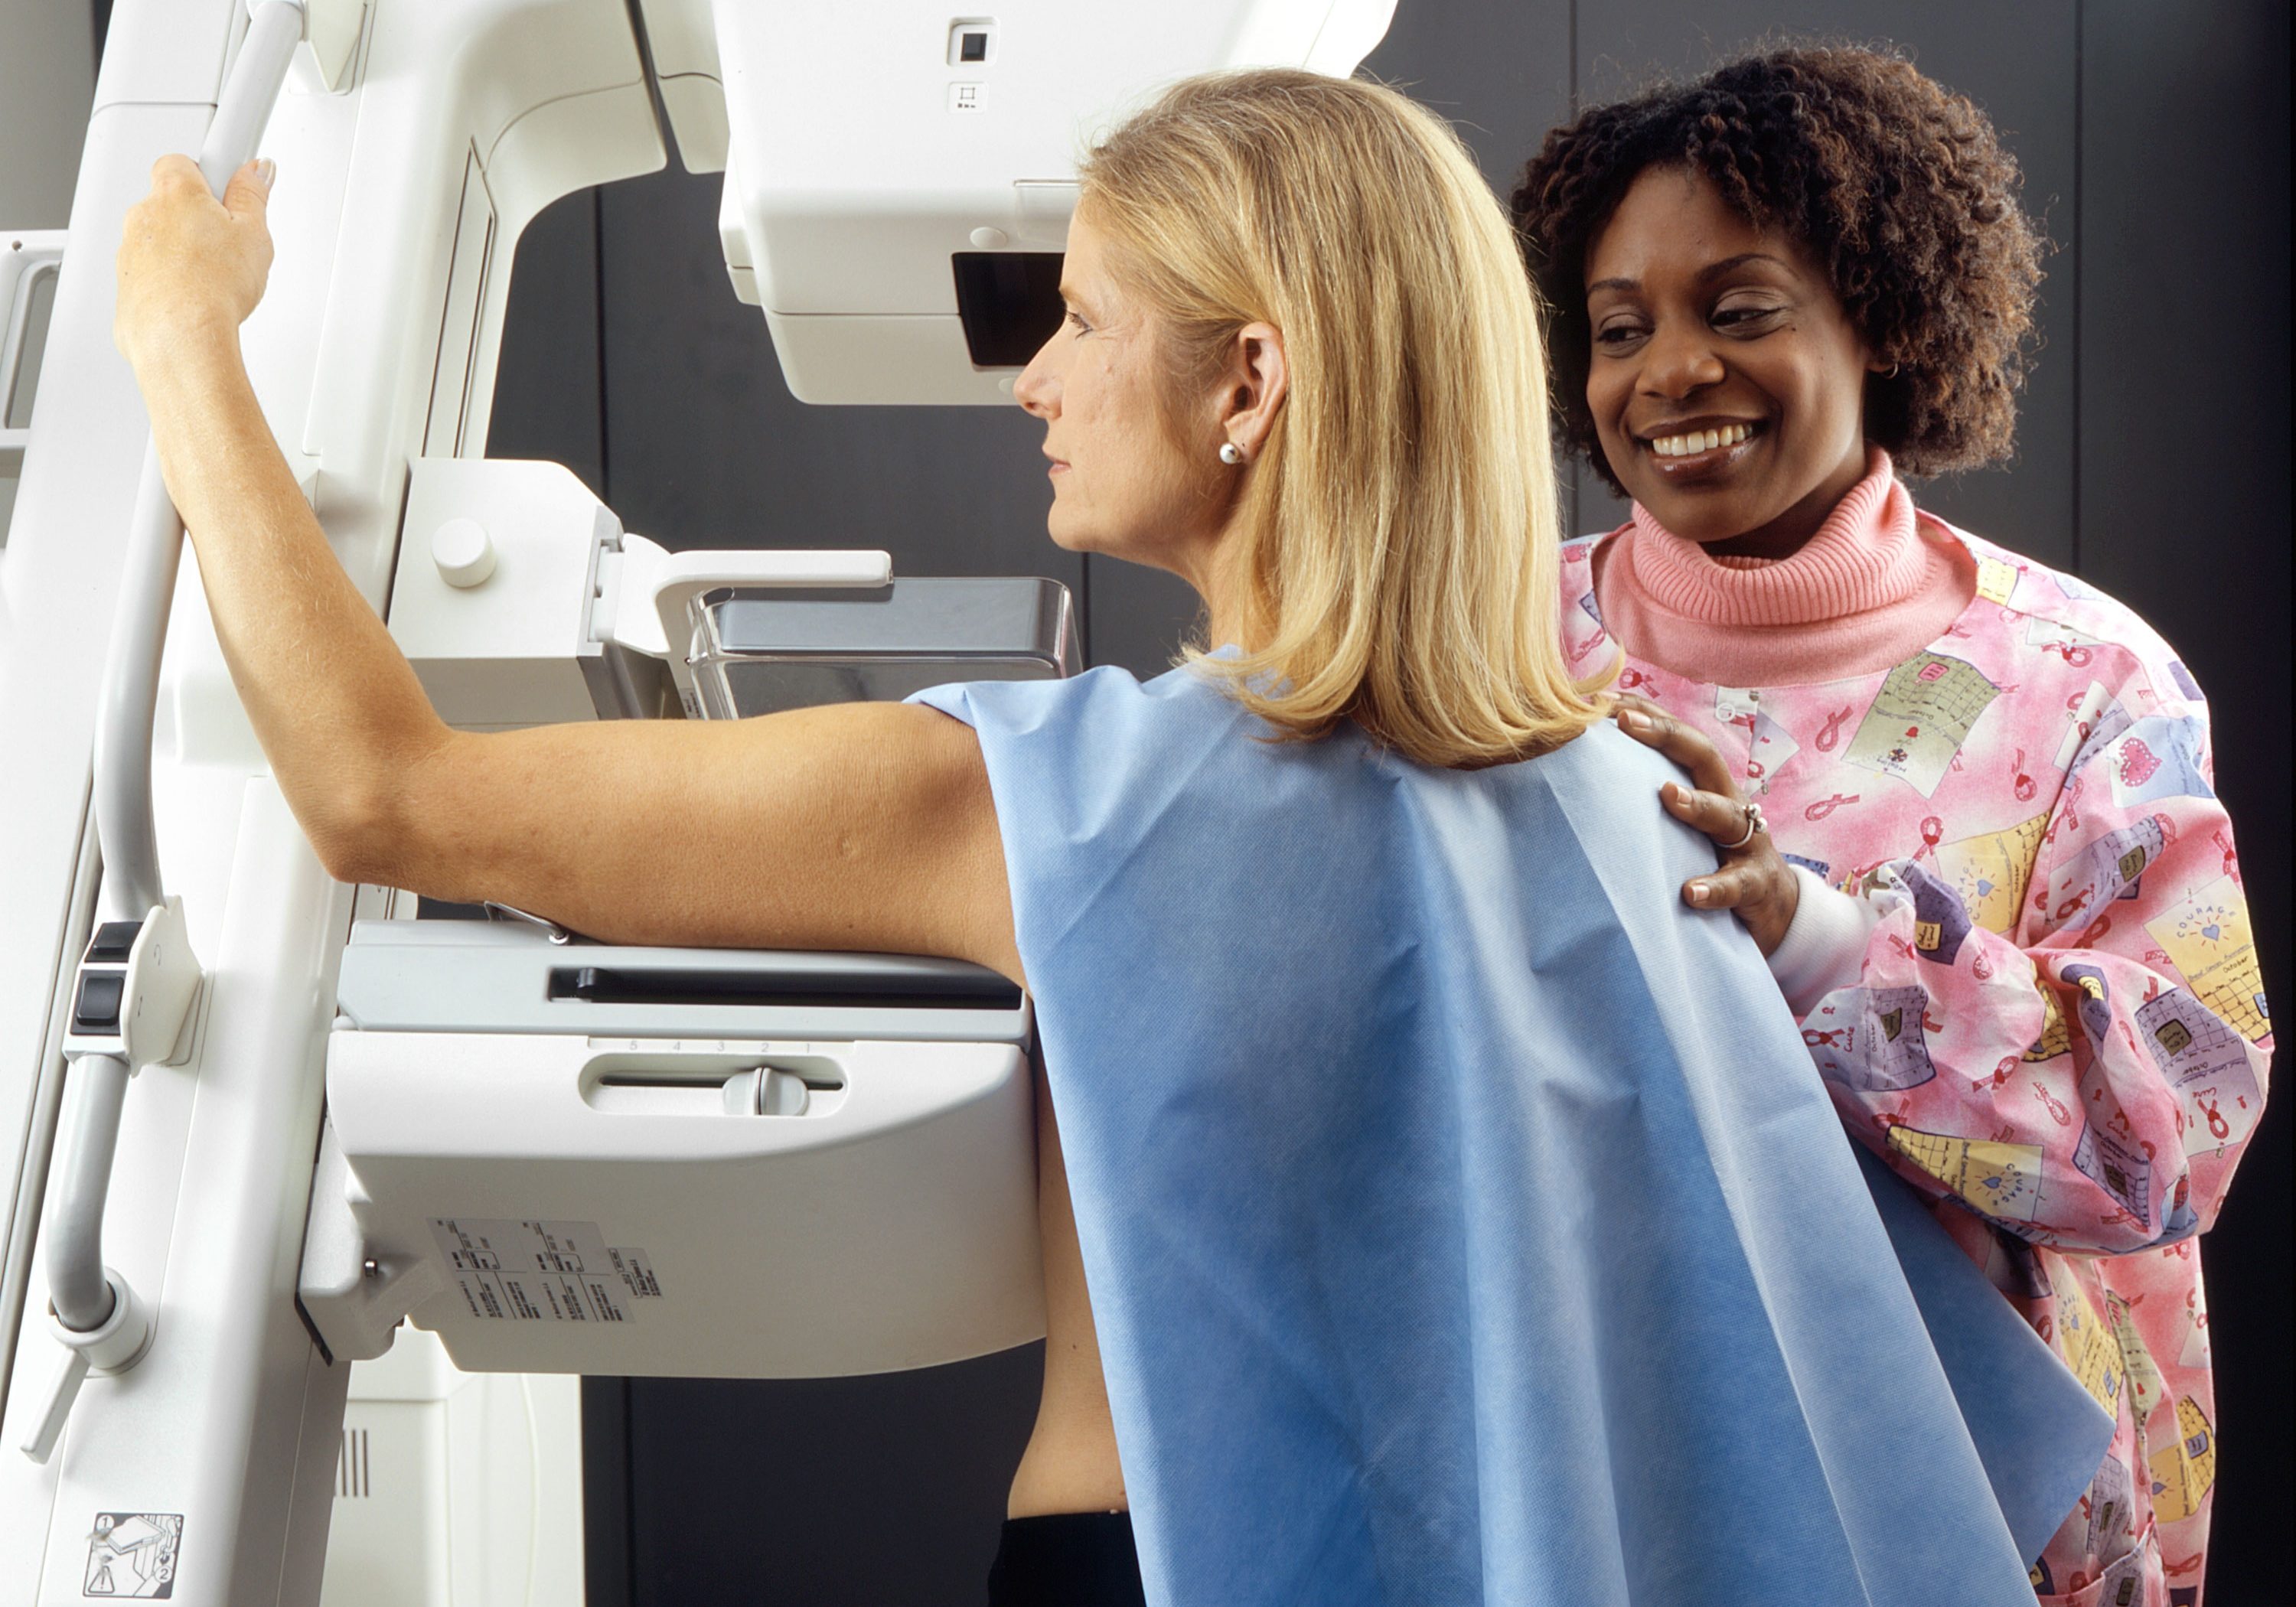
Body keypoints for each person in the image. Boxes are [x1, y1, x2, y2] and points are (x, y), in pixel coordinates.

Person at [117, 68, 2089, 1607]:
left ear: (1251, 378)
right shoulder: (1626, 794)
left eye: (1075, 319)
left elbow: (387, 792)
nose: (1035, 381)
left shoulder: (1041, 796)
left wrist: (185, 351)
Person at [1512, 43, 2271, 1607]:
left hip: (1981, 1530)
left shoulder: (2080, 683)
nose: (1667, 373)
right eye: (1618, 328)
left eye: (1739, 310)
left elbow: (2178, 1134)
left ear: (1883, 312)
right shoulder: (1494, 650)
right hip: (1582, 1486)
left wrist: (1824, 948)